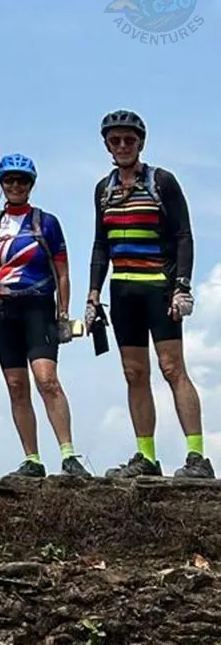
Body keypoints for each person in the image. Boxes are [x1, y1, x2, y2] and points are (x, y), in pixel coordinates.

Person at [86, 110, 212, 479]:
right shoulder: (103, 189)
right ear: (107, 144)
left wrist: (182, 286)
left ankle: (197, 457)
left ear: (141, 143)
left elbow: (183, 235)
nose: (122, 146)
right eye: (115, 140)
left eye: (129, 140)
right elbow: (99, 244)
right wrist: (93, 294)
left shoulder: (162, 181)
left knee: (172, 368)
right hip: (122, 291)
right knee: (133, 372)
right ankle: (147, 456)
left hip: (158, 286)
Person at [0, 154, 90, 477]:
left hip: (39, 305)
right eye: (10, 180)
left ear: (31, 185)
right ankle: (32, 458)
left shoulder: (46, 222)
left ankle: (69, 454)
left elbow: (63, 272)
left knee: (47, 380)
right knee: (15, 384)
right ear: (1, 184)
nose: (16, 186)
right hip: (3, 307)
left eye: (22, 181)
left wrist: (64, 315)